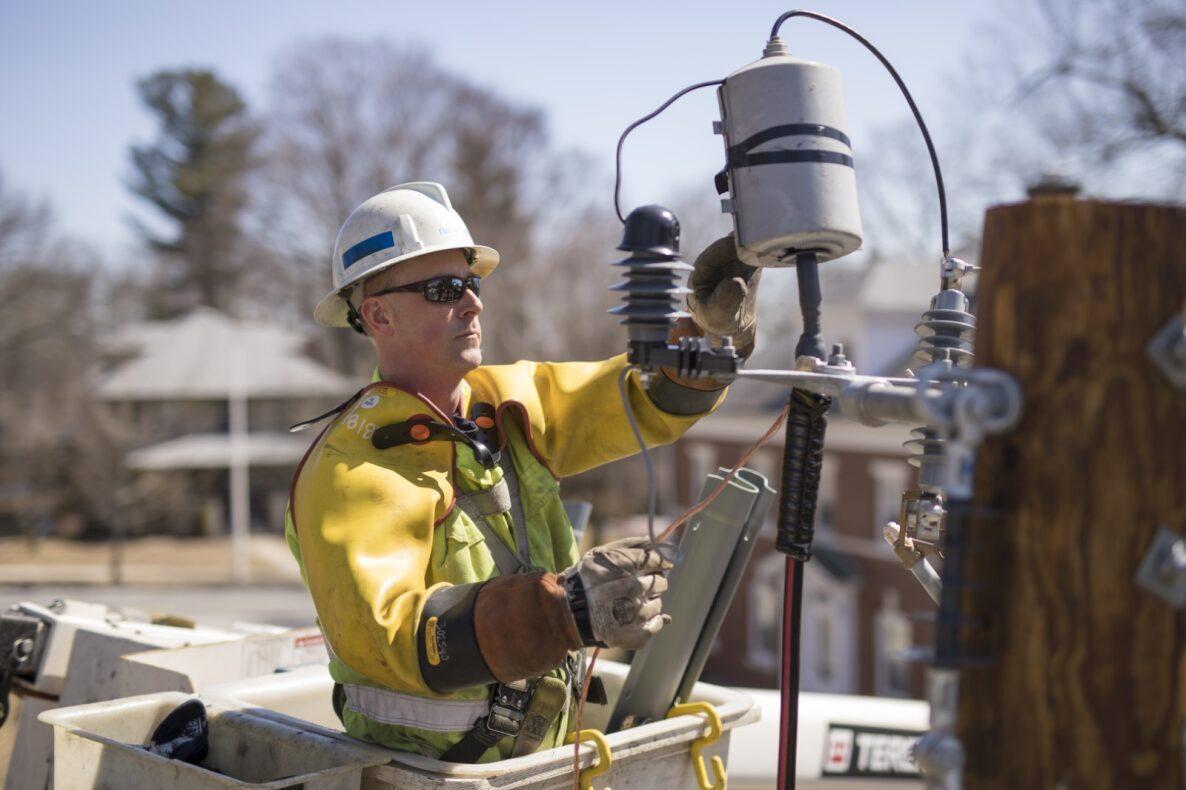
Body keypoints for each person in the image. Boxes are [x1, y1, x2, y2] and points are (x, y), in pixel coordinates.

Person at [284, 181, 759, 762]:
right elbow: (392, 636)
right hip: (419, 773)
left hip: (535, 762)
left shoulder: (502, 407)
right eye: (443, 289)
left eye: (472, 283)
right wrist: (564, 610)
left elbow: (633, 400)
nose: (473, 303)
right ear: (378, 315)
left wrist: (706, 341)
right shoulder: (352, 470)